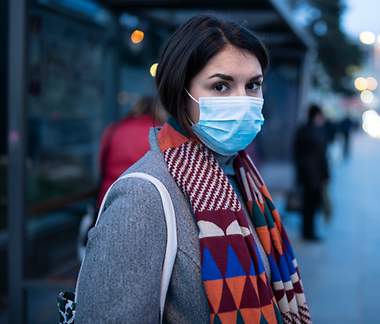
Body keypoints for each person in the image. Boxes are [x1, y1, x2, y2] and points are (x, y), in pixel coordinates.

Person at [75, 15, 311, 323]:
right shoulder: (142, 196)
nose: (243, 101)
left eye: (253, 85)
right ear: (180, 92)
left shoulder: (242, 176)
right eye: (221, 86)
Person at [97, 96, 166, 207]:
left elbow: (102, 163)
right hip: (143, 198)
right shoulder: (159, 133)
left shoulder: (114, 128)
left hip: (108, 195)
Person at [293, 104, 330, 241]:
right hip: (314, 176)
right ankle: (309, 233)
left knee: (309, 205)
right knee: (311, 206)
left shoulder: (303, 130)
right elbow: (321, 157)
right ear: (317, 115)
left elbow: (297, 154)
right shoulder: (315, 132)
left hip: (307, 175)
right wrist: (325, 175)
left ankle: (307, 231)